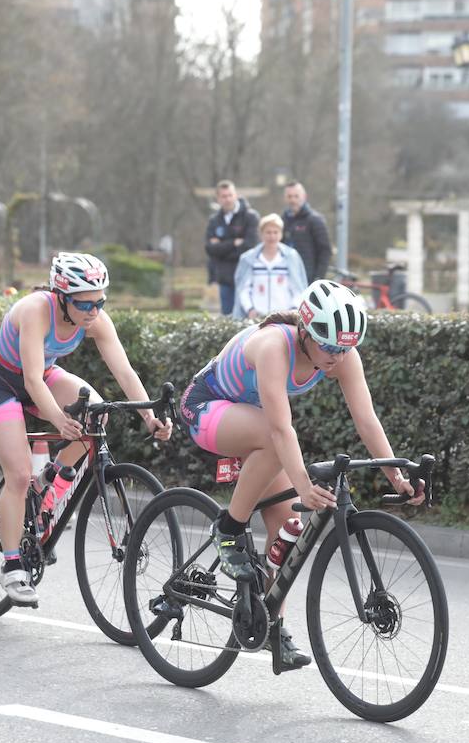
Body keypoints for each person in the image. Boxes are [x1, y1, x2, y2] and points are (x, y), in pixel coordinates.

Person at [177, 280, 424, 668]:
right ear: (305, 332)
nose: (337, 357)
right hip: (206, 407)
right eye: (329, 346)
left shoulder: (341, 355)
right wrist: (305, 486)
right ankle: (228, 528)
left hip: (255, 423)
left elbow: (366, 419)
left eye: (345, 348)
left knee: (288, 530)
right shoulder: (275, 345)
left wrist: (395, 475)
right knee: (273, 440)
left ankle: (273, 626)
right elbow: (280, 429)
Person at [0, 253, 173, 607]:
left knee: (96, 416)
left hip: (41, 378)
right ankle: (12, 567)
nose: (93, 311)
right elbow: (32, 379)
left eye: (100, 302)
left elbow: (125, 373)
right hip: (0, 383)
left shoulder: (96, 320)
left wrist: (148, 416)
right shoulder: (37, 309)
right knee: (18, 475)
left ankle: (49, 490)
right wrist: (57, 419)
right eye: (84, 303)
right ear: (62, 297)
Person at [233, 213, 308, 320]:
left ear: (281, 234)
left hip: (284, 317)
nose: (272, 236)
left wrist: (292, 310)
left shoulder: (291, 257)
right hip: (257, 317)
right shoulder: (248, 259)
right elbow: (243, 289)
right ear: (261, 234)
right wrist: (250, 309)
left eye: (275, 232)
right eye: (268, 232)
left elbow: (298, 288)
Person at [204, 181, 261, 317]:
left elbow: (249, 246)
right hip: (225, 279)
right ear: (218, 199)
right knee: (228, 320)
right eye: (224, 196)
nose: (227, 199)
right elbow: (210, 249)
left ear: (236, 195)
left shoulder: (250, 217)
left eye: (230, 195)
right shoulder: (214, 221)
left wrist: (222, 247)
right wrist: (234, 243)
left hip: (247, 278)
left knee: (249, 321)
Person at [281, 180, 331, 281]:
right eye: (289, 196)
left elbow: (325, 251)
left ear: (304, 196)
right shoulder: (282, 220)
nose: (293, 200)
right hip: (285, 277)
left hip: (307, 278)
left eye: (296, 196)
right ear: (285, 198)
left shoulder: (315, 220)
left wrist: (318, 277)